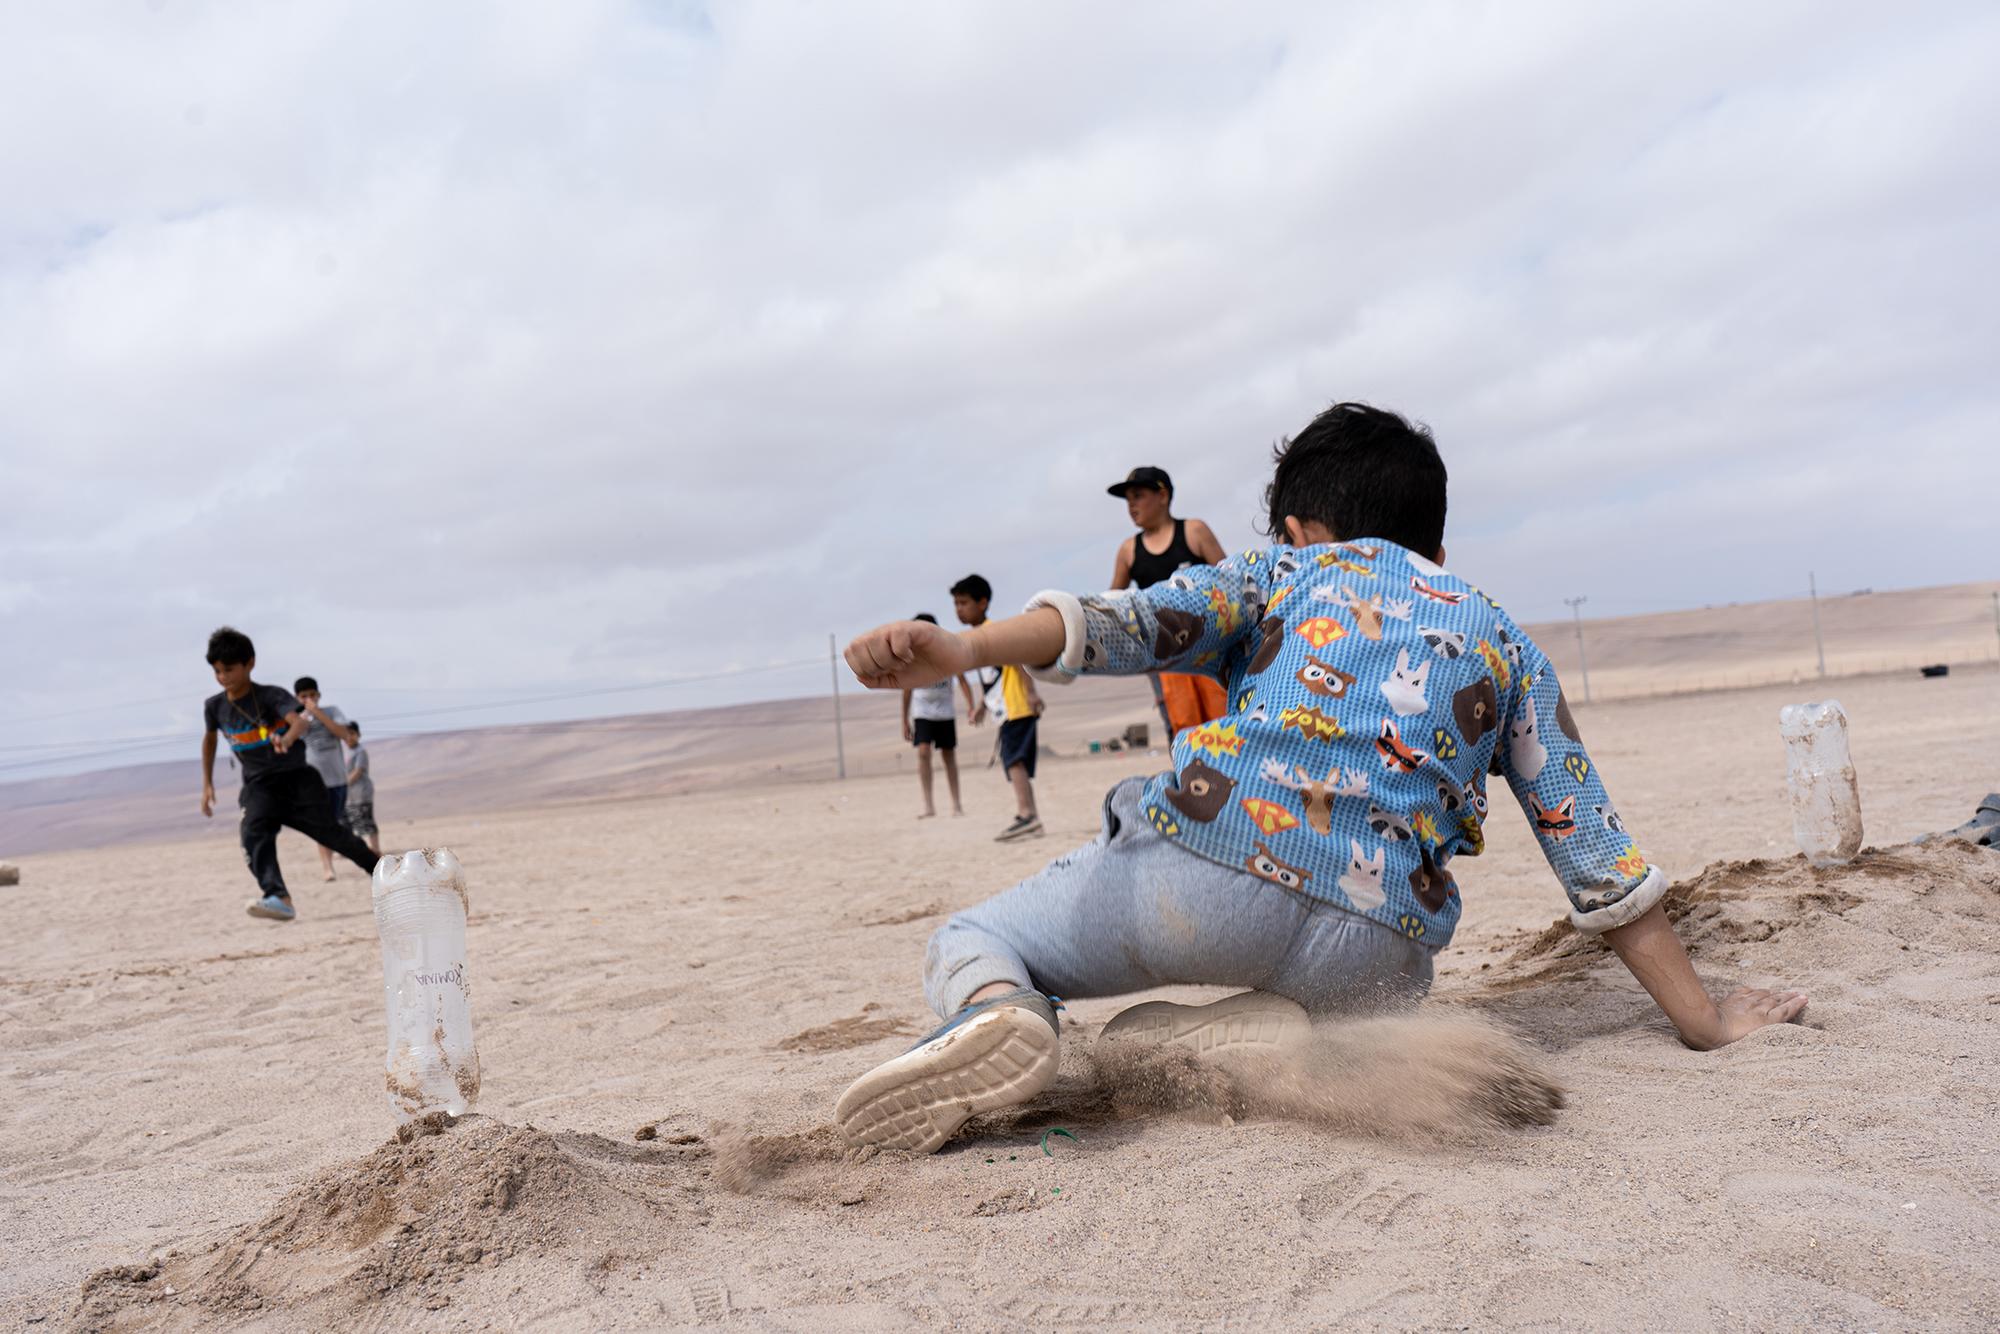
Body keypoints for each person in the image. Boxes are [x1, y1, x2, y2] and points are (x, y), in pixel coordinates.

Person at [834, 403, 1807, 1154]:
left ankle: (1000, 1009)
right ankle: (1268, 1034)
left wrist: (966, 645)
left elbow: (1123, 623)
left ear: (1299, 526)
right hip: (1377, 953)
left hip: (1204, 876)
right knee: (1326, 1000)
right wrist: (1702, 1018)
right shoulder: (1501, 635)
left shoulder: (1283, 574)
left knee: (975, 935)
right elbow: (1591, 851)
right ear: (1434, 543)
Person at [199, 628, 381, 921]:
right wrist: (206, 784)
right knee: (253, 834)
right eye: (217, 671)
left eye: (229, 670)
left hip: (297, 780)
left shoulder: (271, 696)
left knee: (332, 834)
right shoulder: (215, 707)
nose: (223, 677)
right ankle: (278, 897)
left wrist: (285, 739)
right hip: (259, 784)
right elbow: (209, 741)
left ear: (250, 664)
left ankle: (387, 875)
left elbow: (299, 723)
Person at [1107, 465, 1231, 740]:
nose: (1131, 506)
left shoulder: (1194, 532)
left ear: (1162, 496)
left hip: (1210, 651)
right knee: (1182, 727)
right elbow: (1112, 606)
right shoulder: (1129, 551)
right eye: (1128, 500)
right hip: (1165, 661)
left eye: (1138, 496)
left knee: (1224, 720)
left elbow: (1232, 583)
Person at [951, 574, 1045, 842]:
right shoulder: (977, 636)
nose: (959, 609)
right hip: (1004, 708)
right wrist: (982, 706)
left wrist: (1030, 693)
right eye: (956, 604)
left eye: (963, 603)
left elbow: (1017, 659)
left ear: (983, 603)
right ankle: (1030, 816)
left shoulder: (995, 632)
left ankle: (1027, 816)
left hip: (1016, 705)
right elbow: (994, 677)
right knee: (1015, 761)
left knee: (1014, 760)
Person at [900, 614, 979, 819]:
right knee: (923, 752)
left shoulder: (947, 654)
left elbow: (962, 680)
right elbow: (907, 690)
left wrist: (971, 706)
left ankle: (956, 804)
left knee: (948, 755)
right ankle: (928, 805)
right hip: (922, 712)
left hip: (945, 711)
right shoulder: (912, 660)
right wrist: (904, 720)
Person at [293, 676, 357, 881]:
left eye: (312, 695)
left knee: (334, 822)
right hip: (314, 782)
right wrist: (303, 718)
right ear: (297, 698)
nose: (309, 699)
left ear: (318, 695)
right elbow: (291, 741)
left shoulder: (332, 712)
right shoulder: (295, 718)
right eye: (304, 696)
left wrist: (318, 713)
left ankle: (338, 853)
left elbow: (343, 733)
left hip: (338, 779)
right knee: (322, 824)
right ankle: (327, 867)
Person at [344, 722, 381, 856]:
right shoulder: (345, 752)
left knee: (366, 820)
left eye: (352, 734)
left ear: (358, 735)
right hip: (349, 796)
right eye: (346, 734)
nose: (349, 737)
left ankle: (375, 849)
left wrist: (343, 785)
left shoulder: (360, 752)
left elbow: (358, 771)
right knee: (351, 822)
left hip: (362, 792)